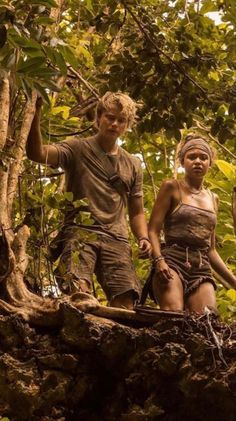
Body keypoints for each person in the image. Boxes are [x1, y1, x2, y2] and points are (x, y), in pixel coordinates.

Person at [26, 91, 152, 309]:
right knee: (78, 295)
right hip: (80, 232)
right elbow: (37, 154)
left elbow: (137, 211)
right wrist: (35, 114)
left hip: (117, 238)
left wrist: (143, 237)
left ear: (127, 125)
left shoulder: (132, 163)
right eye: (110, 117)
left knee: (125, 302)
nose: (114, 124)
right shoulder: (77, 148)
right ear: (99, 117)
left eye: (121, 120)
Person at [148, 134, 236, 314]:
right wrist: (159, 260)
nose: (198, 161)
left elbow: (210, 250)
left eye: (203, 158)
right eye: (192, 157)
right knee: (173, 314)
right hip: (171, 261)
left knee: (207, 320)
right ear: (182, 161)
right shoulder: (171, 187)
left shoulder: (213, 199)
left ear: (210, 164)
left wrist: (234, 282)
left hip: (200, 266)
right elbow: (153, 230)